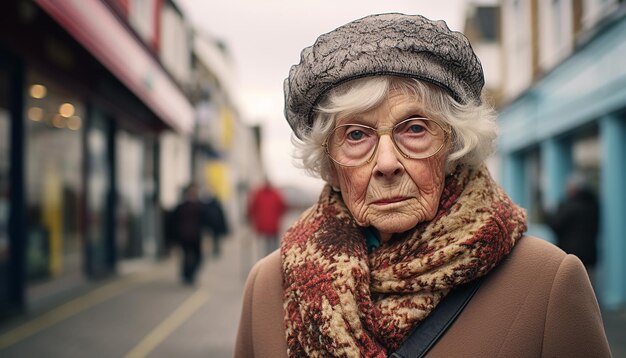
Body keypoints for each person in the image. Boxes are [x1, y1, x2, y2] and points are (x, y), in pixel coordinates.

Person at [234, 13, 611, 357]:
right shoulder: (268, 286)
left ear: (453, 146)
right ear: (329, 161)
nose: (386, 163)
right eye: (356, 135)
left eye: (414, 128)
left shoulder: (546, 282)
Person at [545, 172, 600, 270]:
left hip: (571, 254)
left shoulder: (570, 205)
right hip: (589, 254)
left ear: (574, 188)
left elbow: (555, 224)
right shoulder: (593, 204)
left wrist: (548, 213)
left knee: (570, 282)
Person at [172, 183, 207, 284]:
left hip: (196, 236)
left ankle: (190, 274)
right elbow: (174, 222)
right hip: (185, 236)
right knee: (187, 256)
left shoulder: (200, 206)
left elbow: (206, 220)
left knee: (197, 257)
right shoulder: (182, 207)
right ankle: (187, 275)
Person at [248, 178, 287, 256]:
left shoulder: (258, 193)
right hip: (274, 225)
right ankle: (273, 259)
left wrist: (252, 219)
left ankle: (265, 260)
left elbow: (252, 208)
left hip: (262, 225)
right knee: (274, 246)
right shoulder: (276, 193)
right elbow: (283, 207)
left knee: (264, 245)